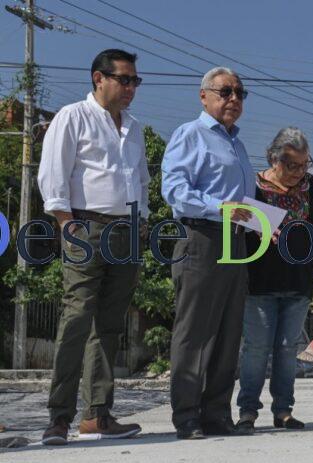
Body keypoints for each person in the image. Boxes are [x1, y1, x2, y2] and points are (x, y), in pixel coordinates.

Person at [37, 49, 147, 445]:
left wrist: (142, 222)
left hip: (126, 232)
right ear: (99, 78)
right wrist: (67, 225)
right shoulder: (73, 116)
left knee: (110, 326)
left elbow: (141, 180)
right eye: (125, 79)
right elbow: (53, 174)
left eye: (135, 81)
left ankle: (97, 415)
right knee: (76, 318)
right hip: (85, 226)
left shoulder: (133, 127)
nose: (131, 88)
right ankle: (59, 417)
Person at [161, 67, 255, 439]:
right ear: (204, 96)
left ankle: (217, 413)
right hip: (201, 237)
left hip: (238, 240)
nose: (234, 99)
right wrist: (222, 208)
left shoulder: (238, 143)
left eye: (240, 93)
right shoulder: (191, 134)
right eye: (226, 91)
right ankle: (187, 415)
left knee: (230, 331)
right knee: (194, 331)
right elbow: (175, 191)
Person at [235, 127, 313, 433]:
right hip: (259, 282)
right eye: (292, 165)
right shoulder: (252, 187)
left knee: (287, 349)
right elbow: (236, 219)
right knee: (256, 348)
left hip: (299, 282)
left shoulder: (312, 188)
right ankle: (247, 411)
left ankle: (283, 410)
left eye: (304, 164)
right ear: (273, 159)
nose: (299, 172)